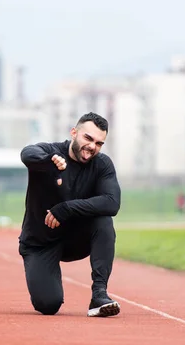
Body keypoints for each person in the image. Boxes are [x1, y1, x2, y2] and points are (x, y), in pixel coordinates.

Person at [18, 112, 121, 317]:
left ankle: (99, 295)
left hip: (75, 239)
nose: (92, 146)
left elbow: (112, 202)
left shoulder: (102, 165)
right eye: (88, 138)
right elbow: (26, 153)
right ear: (74, 133)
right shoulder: (50, 153)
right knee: (48, 305)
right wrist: (48, 161)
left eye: (99, 143)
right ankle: (47, 279)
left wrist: (66, 208)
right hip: (41, 243)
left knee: (103, 221)